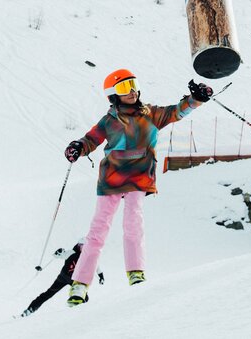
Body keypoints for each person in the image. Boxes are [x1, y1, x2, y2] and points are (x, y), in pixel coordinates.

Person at [62, 69, 213, 306]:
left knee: (134, 222)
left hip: (139, 176)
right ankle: (79, 286)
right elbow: (91, 139)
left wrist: (196, 99)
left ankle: (136, 274)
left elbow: (176, 112)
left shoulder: (150, 114)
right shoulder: (109, 120)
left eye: (132, 84)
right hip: (112, 176)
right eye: (124, 88)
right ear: (114, 95)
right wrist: (78, 147)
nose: (131, 91)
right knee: (98, 230)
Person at [20, 241, 103, 317]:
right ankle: (30, 309)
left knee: (83, 296)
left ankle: (79, 312)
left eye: (84, 246)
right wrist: (58, 252)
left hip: (74, 280)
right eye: (81, 245)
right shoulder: (72, 253)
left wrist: (101, 275)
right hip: (63, 277)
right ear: (78, 245)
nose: (82, 247)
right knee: (49, 293)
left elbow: (95, 265)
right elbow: (59, 255)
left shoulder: (87, 256)